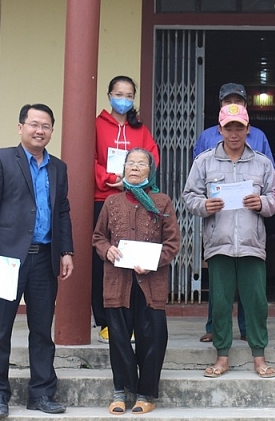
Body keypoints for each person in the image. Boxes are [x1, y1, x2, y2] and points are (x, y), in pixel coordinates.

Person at [0, 104, 74, 419]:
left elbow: (62, 211)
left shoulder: (58, 167)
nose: (40, 130)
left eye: (46, 125)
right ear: (20, 127)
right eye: (34, 124)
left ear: (51, 131)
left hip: (44, 259)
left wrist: (66, 251)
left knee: (42, 330)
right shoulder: (1, 159)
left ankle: (42, 393)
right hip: (4, 259)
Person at [183, 104, 275, 378]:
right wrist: (205, 205)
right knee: (221, 303)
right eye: (229, 128)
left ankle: (259, 356)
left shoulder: (262, 162)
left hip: (251, 244)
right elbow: (189, 197)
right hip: (219, 243)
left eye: (239, 127)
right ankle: (222, 356)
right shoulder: (204, 161)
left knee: (257, 302)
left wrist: (261, 203)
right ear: (220, 129)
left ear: (248, 130)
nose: (234, 133)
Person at [93, 148, 180, 414]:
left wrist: (152, 262)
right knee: (118, 338)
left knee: (152, 337)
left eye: (141, 164)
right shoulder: (112, 203)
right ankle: (121, 391)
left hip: (150, 283)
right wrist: (107, 249)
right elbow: (98, 237)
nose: (134, 167)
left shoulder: (162, 202)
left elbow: (172, 243)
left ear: (150, 170)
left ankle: (145, 394)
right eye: (130, 163)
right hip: (118, 281)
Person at [94, 75, 161, 343]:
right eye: (119, 93)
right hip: (104, 197)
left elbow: (152, 156)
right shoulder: (97, 125)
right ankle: (104, 321)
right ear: (109, 95)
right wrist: (110, 180)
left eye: (129, 95)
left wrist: (137, 180)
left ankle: (131, 319)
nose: (124, 99)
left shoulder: (140, 130)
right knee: (105, 259)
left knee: (133, 260)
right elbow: (90, 158)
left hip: (136, 199)